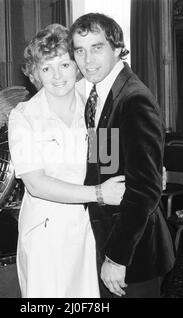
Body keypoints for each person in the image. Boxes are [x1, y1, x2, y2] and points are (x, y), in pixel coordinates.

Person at [7, 23, 125, 298]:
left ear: (77, 66)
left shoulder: (95, 108)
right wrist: (98, 193)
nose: (57, 76)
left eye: (64, 65)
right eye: (46, 68)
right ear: (36, 74)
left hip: (88, 231)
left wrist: (147, 169)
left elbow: (109, 163)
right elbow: (36, 184)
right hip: (45, 235)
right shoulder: (23, 116)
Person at [69, 13, 175, 298]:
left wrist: (117, 257)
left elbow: (145, 190)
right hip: (110, 240)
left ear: (117, 48)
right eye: (80, 50)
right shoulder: (102, 93)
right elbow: (107, 164)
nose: (87, 60)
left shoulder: (133, 99)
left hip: (134, 254)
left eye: (97, 47)